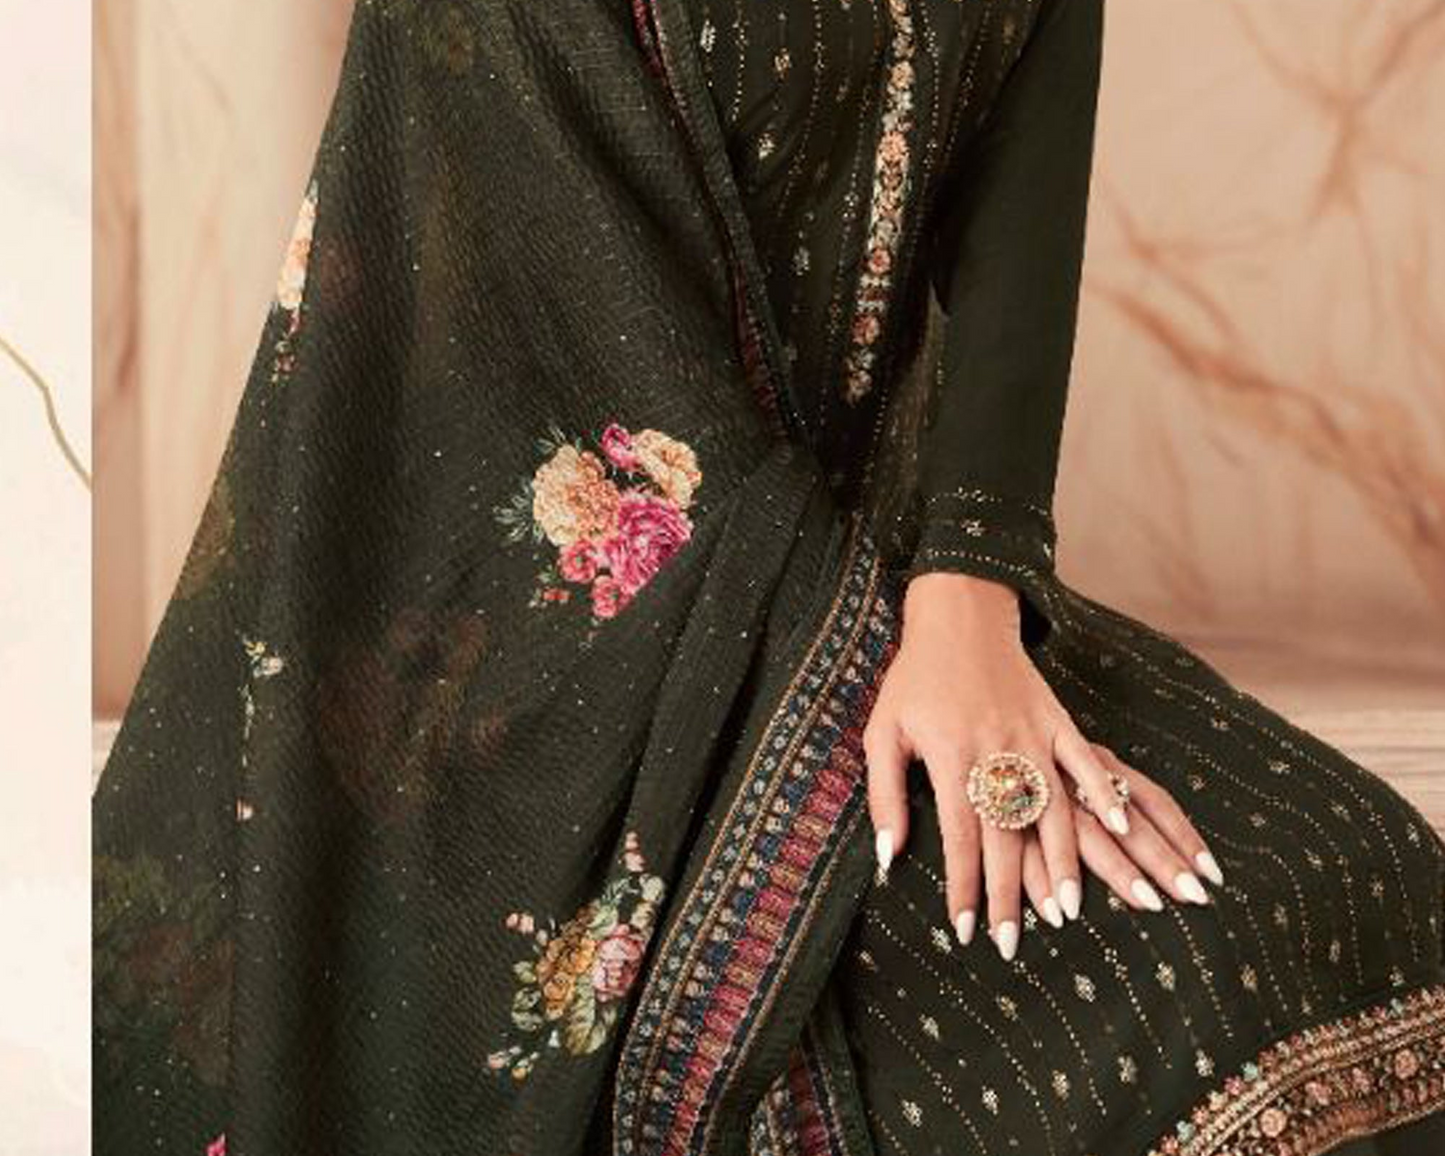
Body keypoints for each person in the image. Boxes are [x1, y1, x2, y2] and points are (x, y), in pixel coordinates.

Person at [93, 0, 1445, 1153]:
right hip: (545, 668)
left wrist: (969, 607)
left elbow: (1019, 240)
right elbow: (557, 377)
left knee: (1364, 879)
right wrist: (859, 655)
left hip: (901, 581)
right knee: (1143, 1011)